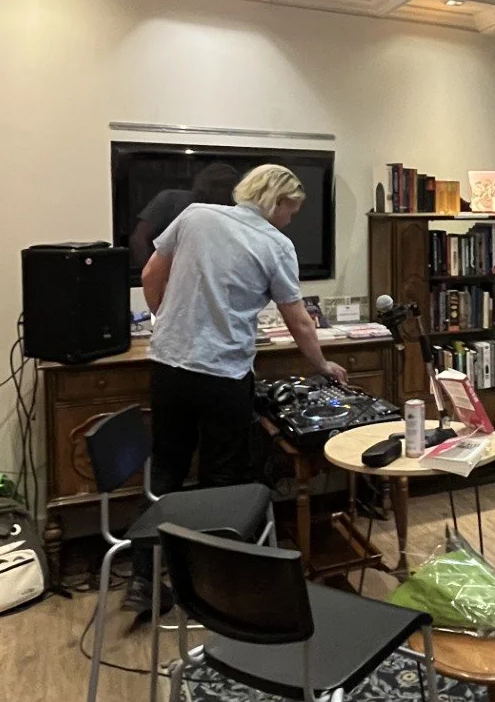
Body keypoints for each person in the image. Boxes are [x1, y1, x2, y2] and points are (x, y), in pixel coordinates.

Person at [140, 164, 347, 495]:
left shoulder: (195, 216)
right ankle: (217, 545)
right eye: (290, 211)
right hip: (222, 374)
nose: (289, 221)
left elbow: (150, 274)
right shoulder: (275, 244)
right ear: (276, 201)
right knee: (222, 474)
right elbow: (298, 319)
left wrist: (166, 319)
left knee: (167, 464)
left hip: (169, 365)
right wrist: (321, 365)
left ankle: (155, 547)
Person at [127, 160, 238, 279]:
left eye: (229, 187)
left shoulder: (231, 212)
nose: (224, 192)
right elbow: (138, 239)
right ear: (205, 184)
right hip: (168, 275)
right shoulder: (171, 199)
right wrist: (153, 276)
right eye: (220, 185)